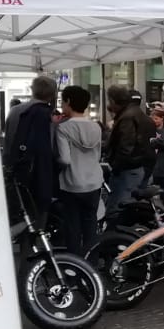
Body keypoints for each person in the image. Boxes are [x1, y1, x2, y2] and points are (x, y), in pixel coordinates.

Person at [54, 85, 104, 253]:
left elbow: (65, 159)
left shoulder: (63, 128)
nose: (62, 105)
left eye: (62, 102)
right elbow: (97, 156)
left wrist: (55, 163)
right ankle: (91, 261)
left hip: (72, 184)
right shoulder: (96, 127)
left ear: (68, 101)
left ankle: (74, 264)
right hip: (94, 182)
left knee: (72, 227)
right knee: (91, 224)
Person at [5, 75, 58, 217]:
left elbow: (8, 140)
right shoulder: (50, 115)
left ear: (32, 90)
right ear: (52, 94)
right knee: (39, 215)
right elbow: (53, 147)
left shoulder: (15, 111)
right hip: (41, 175)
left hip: (15, 171)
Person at [104, 85, 154, 211]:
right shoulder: (140, 115)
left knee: (118, 207)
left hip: (127, 171)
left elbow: (125, 147)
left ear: (113, 101)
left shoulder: (127, 117)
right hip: (141, 167)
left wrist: (115, 167)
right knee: (133, 206)